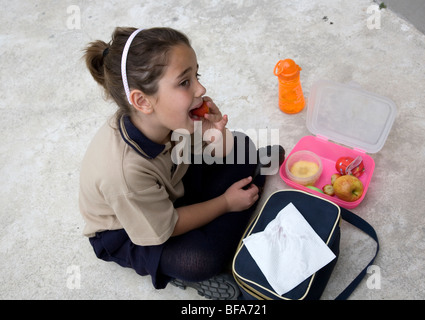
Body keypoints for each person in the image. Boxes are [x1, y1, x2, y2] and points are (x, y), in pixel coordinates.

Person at [79, 27, 282, 299]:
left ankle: (229, 211)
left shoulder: (166, 117)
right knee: (201, 260)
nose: (201, 88)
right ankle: (206, 253)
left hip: (172, 181)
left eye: (196, 75)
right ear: (142, 101)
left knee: (242, 146)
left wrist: (215, 132)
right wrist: (225, 203)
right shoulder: (124, 173)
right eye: (185, 82)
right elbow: (168, 226)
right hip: (134, 229)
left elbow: (218, 151)